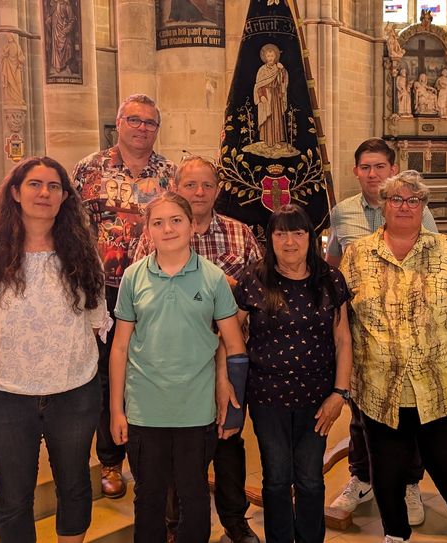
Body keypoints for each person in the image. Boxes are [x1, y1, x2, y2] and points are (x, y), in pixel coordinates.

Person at [0, 156, 107, 543]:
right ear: (15, 193)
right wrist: (9, 366)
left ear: (64, 197)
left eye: (54, 186)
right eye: (35, 185)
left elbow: (94, 321)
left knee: (74, 483)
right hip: (4, 396)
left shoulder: (83, 253)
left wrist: (61, 361)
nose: (44, 193)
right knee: (12, 495)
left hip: (73, 391)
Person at [341, 171, 447, 543]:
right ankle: (396, 536)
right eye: (396, 199)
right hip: (379, 393)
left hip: (440, 392)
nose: (404, 207)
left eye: (413, 200)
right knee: (387, 480)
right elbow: (341, 322)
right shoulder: (357, 254)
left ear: (423, 207)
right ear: (383, 205)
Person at [136, 155, 264, 543]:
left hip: (229, 351)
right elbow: (144, 292)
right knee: (177, 445)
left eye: (207, 185)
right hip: (176, 359)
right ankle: (177, 525)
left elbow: (260, 292)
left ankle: (233, 520)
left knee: (228, 438)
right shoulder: (156, 232)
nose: (199, 192)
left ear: (218, 189)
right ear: (177, 188)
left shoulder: (241, 234)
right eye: (191, 185)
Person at [108, 192, 247, 542]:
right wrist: (115, 410)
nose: (167, 229)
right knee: (149, 496)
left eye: (176, 220)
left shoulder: (213, 278)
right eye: (158, 222)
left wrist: (232, 408)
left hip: (195, 410)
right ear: (147, 232)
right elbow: (120, 347)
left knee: (194, 495)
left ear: (191, 226)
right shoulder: (133, 277)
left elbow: (233, 345)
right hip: (144, 410)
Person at [325, 138, 438, 526]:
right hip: (364, 335)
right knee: (361, 413)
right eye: (365, 167)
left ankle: (409, 483)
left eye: (379, 166)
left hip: (410, 336)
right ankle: (361, 478)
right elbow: (333, 269)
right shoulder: (342, 213)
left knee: (411, 413)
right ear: (356, 171)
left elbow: (433, 263)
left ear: (393, 169)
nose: (372, 174)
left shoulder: (418, 211)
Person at [73, 93, 179, 500]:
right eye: (134, 120)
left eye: (150, 122)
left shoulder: (169, 172)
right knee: (106, 377)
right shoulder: (89, 169)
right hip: (104, 290)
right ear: (118, 123)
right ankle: (112, 460)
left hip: (156, 288)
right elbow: (74, 230)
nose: (141, 128)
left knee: (149, 370)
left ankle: (150, 457)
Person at [232, 205, 353, 543]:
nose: (289, 241)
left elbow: (343, 339)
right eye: (280, 233)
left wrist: (339, 394)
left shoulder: (330, 280)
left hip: (317, 398)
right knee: (276, 477)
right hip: (267, 397)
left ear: (310, 238)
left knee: (311, 478)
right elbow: (230, 333)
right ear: (269, 239)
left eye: (298, 232)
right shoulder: (253, 279)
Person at [254, 43, 289, 148]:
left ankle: (276, 141)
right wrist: (261, 96)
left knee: (276, 118)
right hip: (266, 95)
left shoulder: (278, 68)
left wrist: (282, 70)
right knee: (267, 118)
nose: (270, 58)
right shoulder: (262, 70)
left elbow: (283, 82)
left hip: (275, 96)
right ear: (265, 57)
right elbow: (258, 85)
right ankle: (267, 141)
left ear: (276, 56)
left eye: (272, 56)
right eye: (268, 56)